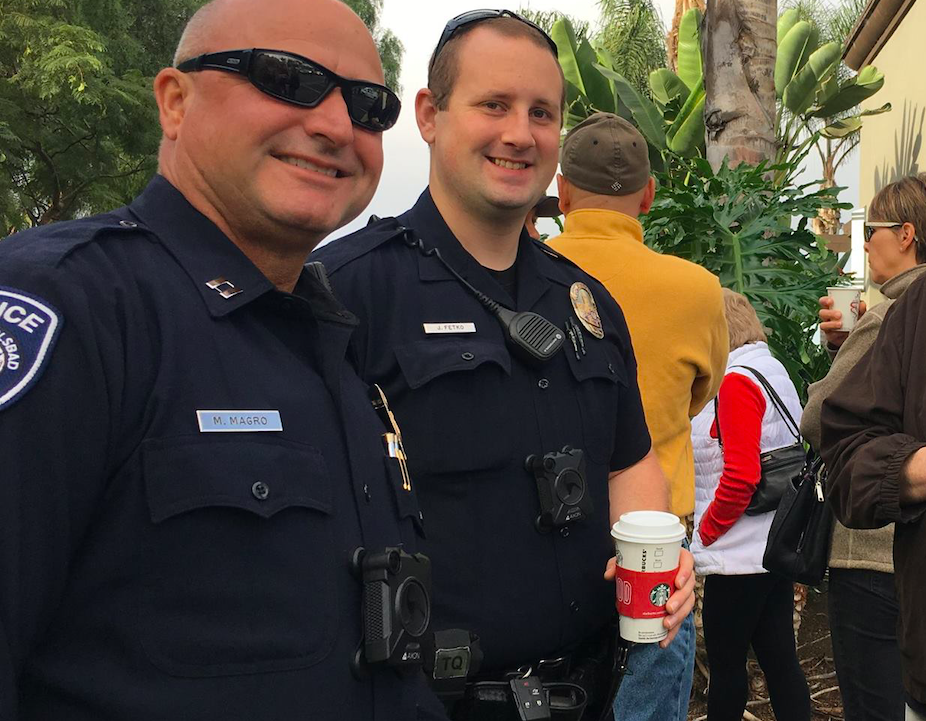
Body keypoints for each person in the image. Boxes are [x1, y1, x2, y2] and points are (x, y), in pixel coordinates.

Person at [0, 0, 447, 719]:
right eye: (285, 78)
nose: (336, 125)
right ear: (175, 102)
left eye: (368, 105)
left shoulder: (327, 335)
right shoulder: (70, 305)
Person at [313, 10, 695, 720]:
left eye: (541, 112)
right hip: (424, 700)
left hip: (591, 694)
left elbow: (627, 460)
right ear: (429, 114)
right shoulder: (348, 293)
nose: (520, 133)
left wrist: (659, 554)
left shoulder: (587, 303)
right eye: (494, 105)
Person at [547, 111, 728, 721]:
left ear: (563, 189)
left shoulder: (526, 276)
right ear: (648, 196)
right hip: (654, 546)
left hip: (541, 534)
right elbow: (704, 392)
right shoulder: (697, 288)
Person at [802, 175, 926, 721]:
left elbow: (821, 419)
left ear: (905, 234)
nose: (864, 243)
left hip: (874, 551)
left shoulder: (894, 315)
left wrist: (848, 349)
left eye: (870, 230)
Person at [690, 289, 811, 721]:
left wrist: (703, 533)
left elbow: (741, 476)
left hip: (736, 557)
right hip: (774, 547)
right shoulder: (770, 369)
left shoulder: (737, 382)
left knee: (726, 673)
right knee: (781, 663)